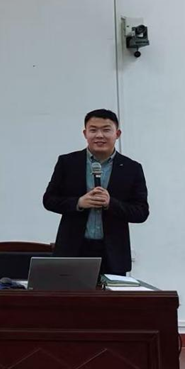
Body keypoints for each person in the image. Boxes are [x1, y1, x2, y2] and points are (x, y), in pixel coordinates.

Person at [43, 109, 149, 275]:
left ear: (117, 134)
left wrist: (111, 203)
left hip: (113, 255)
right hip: (72, 250)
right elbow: (49, 200)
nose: (99, 135)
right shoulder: (68, 163)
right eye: (93, 130)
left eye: (106, 130)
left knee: (111, 293)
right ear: (85, 133)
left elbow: (141, 212)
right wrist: (78, 203)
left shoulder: (132, 168)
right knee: (69, 293)